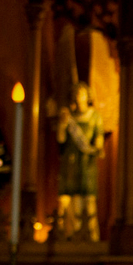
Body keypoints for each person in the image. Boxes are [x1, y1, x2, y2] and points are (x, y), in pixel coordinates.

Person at [56, 82, 105, 241]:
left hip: (87, 164)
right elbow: (61, 141)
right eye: (76, 94)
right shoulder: (68, 116)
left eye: (82, 93)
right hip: (71, 164)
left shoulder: (94, 116)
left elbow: (98, 137)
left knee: (88, 200)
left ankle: (90, 235)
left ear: (87, 96)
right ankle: (71, 234)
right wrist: (62, 125)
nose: (79, 96)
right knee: (71, 201)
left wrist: (97, 146)